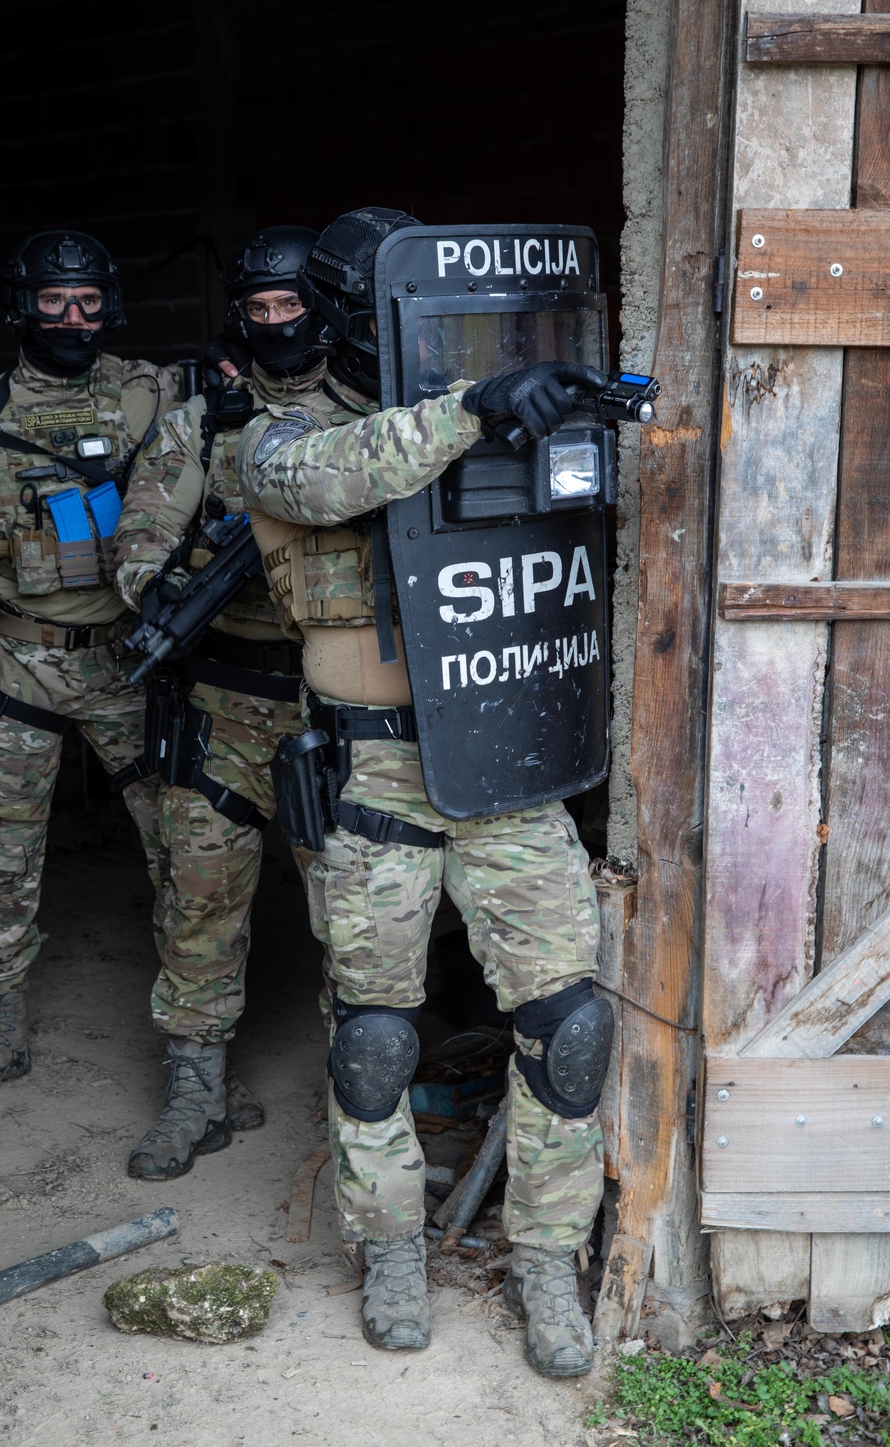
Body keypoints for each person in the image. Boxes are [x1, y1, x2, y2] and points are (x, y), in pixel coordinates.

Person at [235, 209, 606, 1378]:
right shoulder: (274, 433)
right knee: (375, 1041)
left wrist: (556, 407)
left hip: (505, 759)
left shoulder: (501, 407)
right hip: (376, 771)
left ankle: (546, 1258)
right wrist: (474, 409)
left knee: (566, 1031)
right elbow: (338, 476)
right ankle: (392, 1247)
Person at [0, 230, 178, 1103]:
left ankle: (196, 1048)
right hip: (17, 665)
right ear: (25, 306)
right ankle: (2, 1028)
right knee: (4, 860)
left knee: (186, 854)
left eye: (88, 299)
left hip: (126, 665)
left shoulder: (146, 394)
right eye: (55, 300)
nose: (73, 316)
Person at [113, 225, 340, 1179]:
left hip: (339, 709)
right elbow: (135, 551)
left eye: (292, 307)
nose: (278, 324)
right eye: (261, 310)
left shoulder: (364, 415)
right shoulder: (199, 424)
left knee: (355, 918)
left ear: (318, 309)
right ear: (240, 315)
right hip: (222, 707)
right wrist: (184, 571)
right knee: (198, 903)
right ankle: (195, 1088)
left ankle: (361, 1109)